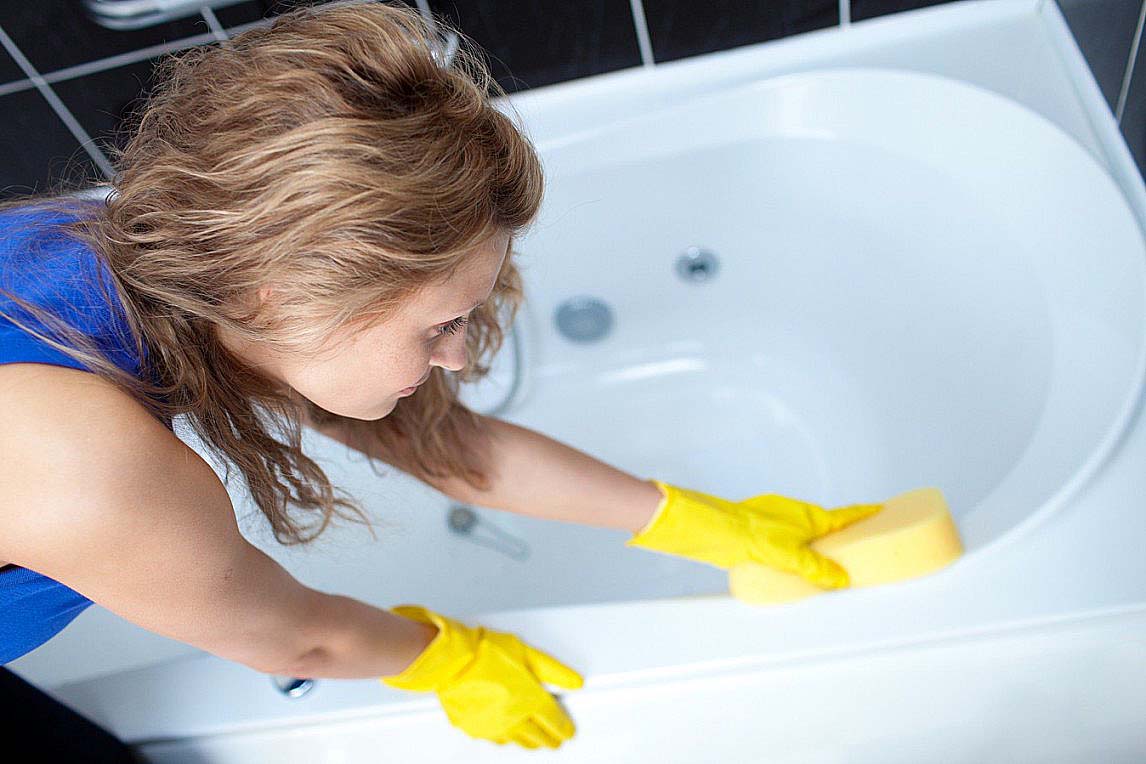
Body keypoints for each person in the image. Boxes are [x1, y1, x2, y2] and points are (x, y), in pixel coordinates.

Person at [0, 0, 882, 752]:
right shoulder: (82, 469)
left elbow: (442, 441)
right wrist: (451, 657)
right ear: (289, 296)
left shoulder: (175, 262)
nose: (459, 356)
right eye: (441, 325)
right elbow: (298, 638)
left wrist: (697, 523)